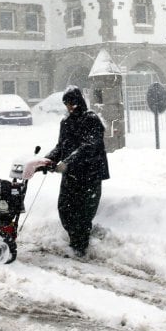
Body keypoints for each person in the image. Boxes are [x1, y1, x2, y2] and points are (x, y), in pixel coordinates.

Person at [45, 86, 110, 257]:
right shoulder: (66, 122)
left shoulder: (91, 120)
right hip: (71, 174)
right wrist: (47, 160)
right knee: (65, 209)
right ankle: (75, 241)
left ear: (79, 101)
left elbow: (89, 146)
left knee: (83, 212)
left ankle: (80, 247)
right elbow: (61, 146)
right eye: (67, 104)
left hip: (90, 174)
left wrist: (67, 162)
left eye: (72, 103)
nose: (70, 107)